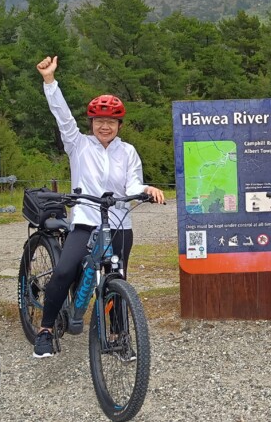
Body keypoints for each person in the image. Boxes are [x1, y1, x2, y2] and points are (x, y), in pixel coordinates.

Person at [32, 56, 165, 358]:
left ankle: (118, 335)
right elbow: (63, 116)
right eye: (99, 121)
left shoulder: (128, 152)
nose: (105, 126)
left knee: (116, 278)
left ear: (119, 124)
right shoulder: (78, 144)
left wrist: (145, 190)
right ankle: (46, 329)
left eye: (111, 121)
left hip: (119, 223)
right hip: (86, 219)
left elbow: (131, 185)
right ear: (91, 123)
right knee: (64, 271)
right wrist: (50, 82)